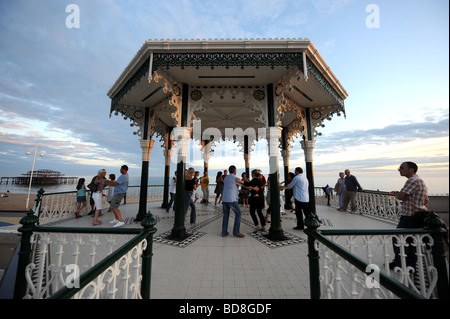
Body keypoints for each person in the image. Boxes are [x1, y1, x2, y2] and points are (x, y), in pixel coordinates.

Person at [389, 162, 429, 270]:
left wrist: (403, 195)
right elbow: (426, 200)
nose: (399, 170)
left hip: (409, 215)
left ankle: (400, 264)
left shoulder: (412, 181)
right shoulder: (420, 181)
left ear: (411, 170)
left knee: (398, 238)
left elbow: (400, 196)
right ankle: (410, 265)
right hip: (417, 215)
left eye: (401, 168)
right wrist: (406, 196)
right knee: (412, 241)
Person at [221, 165, 245, 238]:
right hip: (231, 200)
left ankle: (224, 232)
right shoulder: (235, 178)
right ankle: (236, 231)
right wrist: (243, 180)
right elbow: (242, 182)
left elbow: (231, 187)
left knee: (226, 215)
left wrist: (240, 190)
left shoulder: (226, 178)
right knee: (238, 213)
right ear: (235, 171)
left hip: (224, 199)